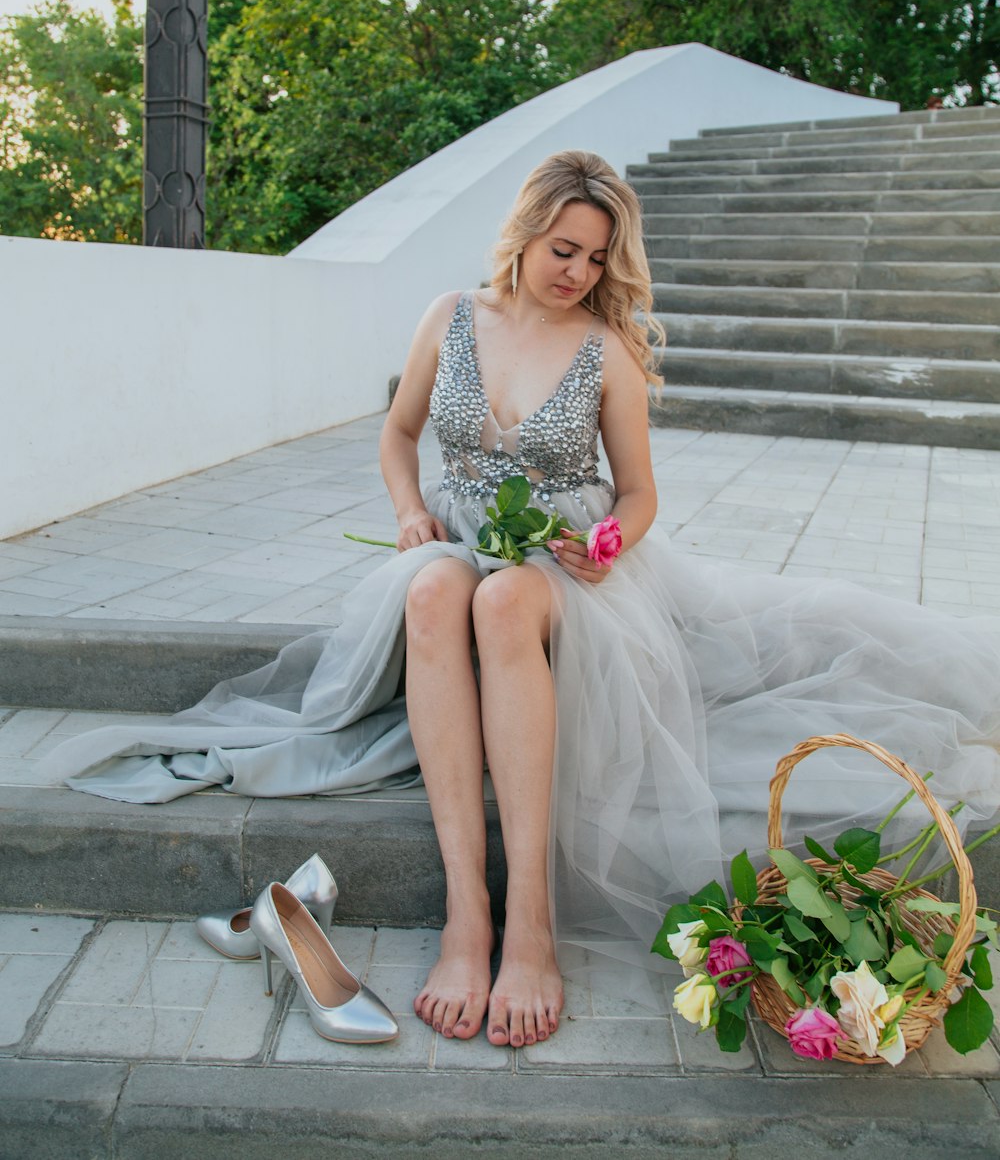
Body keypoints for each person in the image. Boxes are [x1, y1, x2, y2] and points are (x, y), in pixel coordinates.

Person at [47, 151, 1000, 1051]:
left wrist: (609, 541)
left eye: (596, 257)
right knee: (431, 594)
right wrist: (411, 510)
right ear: (524, 233)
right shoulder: (450, 316)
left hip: (563, 561)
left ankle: (531, 922)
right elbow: (399, 431)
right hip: (462, 539)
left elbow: (639, 493)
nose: (579, 272)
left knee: (504, 606)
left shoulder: (605, 350)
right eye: (564, 250)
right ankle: (469, 914)